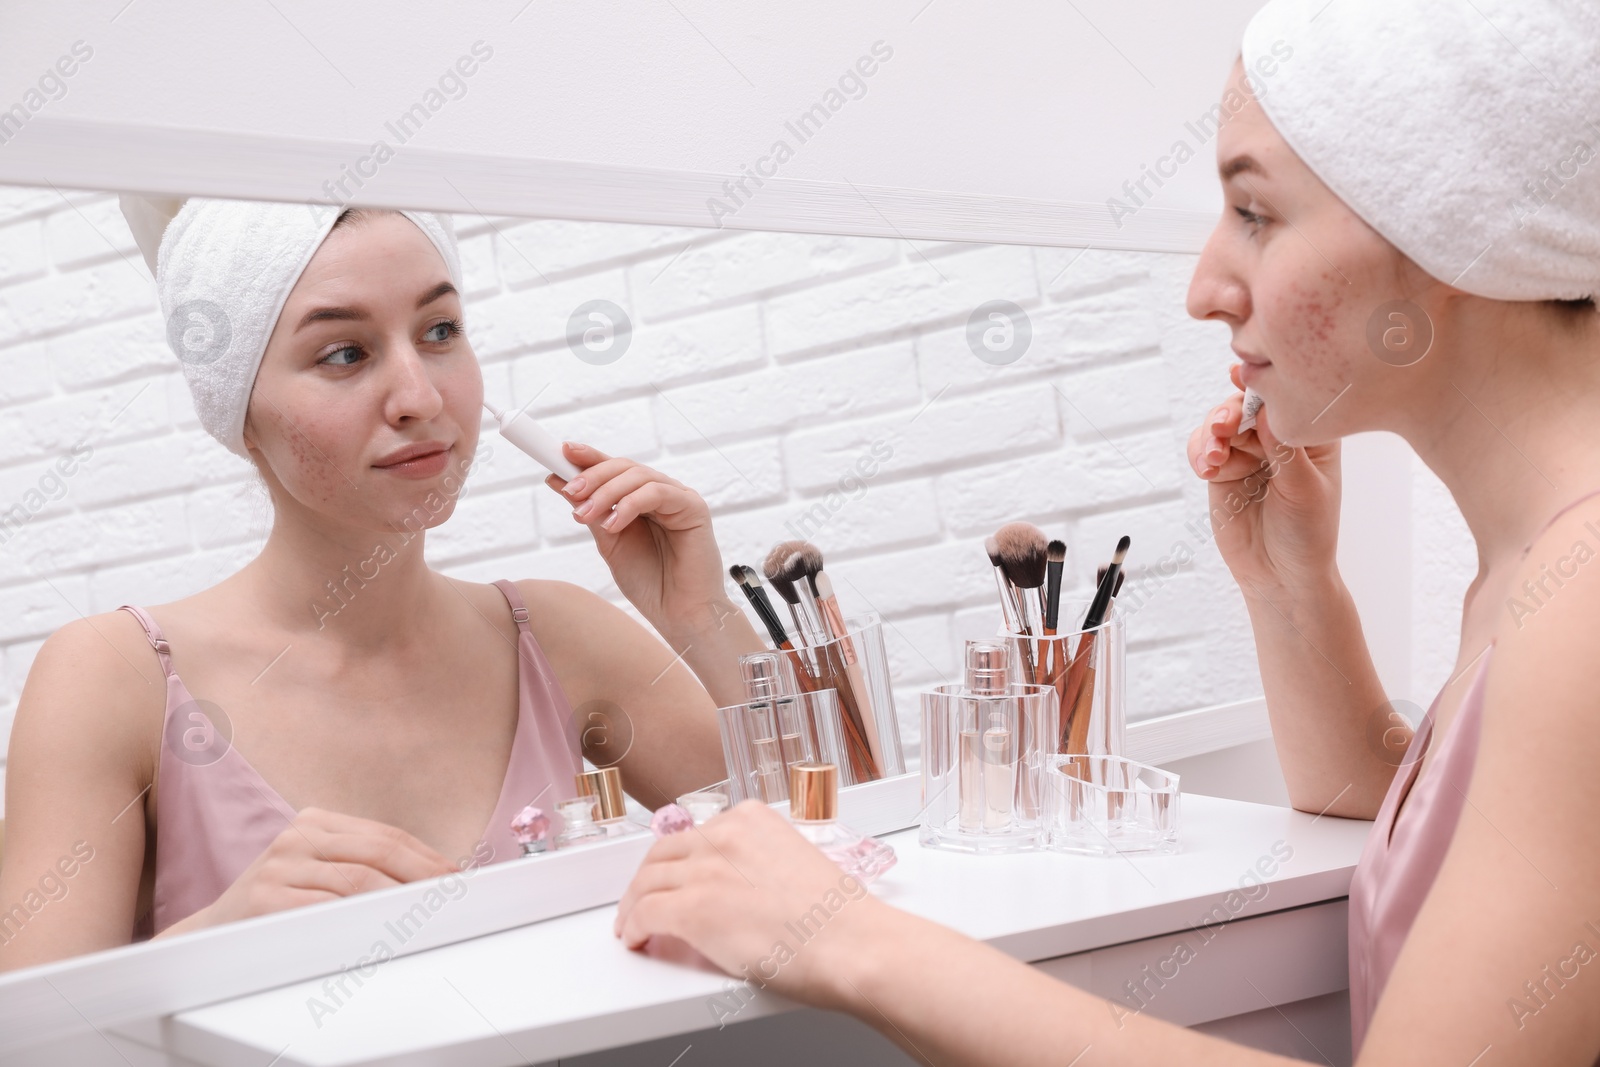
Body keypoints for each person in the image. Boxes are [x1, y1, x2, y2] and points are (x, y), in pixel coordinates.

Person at [613, 1, 1600, 1062]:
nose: (1205, 288)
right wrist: (1288, 585)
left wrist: (852, 940)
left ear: (1447, 222)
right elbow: (1427, 819)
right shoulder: (1540, 568)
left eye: (1256, 213)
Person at [0, 198, 766, 970]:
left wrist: (701, 614)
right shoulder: (117, 676)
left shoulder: (559, 637)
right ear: (240, 412)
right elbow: (32, 1032)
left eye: (440, 332)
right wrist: (222, 933)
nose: (421, 399)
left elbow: (846, 852)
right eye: (344, 353)